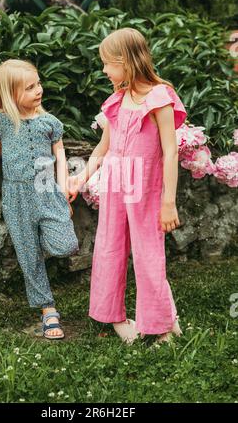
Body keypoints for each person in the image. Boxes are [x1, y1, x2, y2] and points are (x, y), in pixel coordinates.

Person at [68, 28, 187, 344]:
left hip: (145, 191)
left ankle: (162, 323)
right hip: (115, 188)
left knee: (149, 255)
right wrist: (81, 178)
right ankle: (115, 318)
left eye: (108, 63)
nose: (105, 70)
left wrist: (168, 201)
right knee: (110, 249)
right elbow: (102, 149)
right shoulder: (116, 102)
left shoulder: (160, 98)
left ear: (127, 61)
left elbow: (170, 150)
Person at [0, 59, 79, 340]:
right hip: (16, 193)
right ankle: (47, 309)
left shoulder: (49, 122)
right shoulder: (3, 122)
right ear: (11, 94)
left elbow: (60, 156)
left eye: (38, 84)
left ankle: (45, 234)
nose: (38, 90)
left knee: (66, 245)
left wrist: (65, 184)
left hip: (47, 188)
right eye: (30, 87)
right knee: (28, 255)